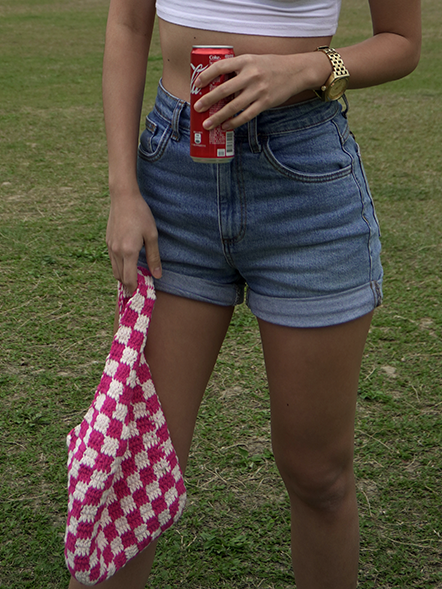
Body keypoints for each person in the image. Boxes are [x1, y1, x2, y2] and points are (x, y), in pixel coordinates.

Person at [69, 0, 421, 587]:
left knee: (320, 478)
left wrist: (308, 69)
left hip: (304, 183)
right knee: (133, 461)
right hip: (174, 178)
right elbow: (129, 23)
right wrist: (122, 191)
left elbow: (401, 41)